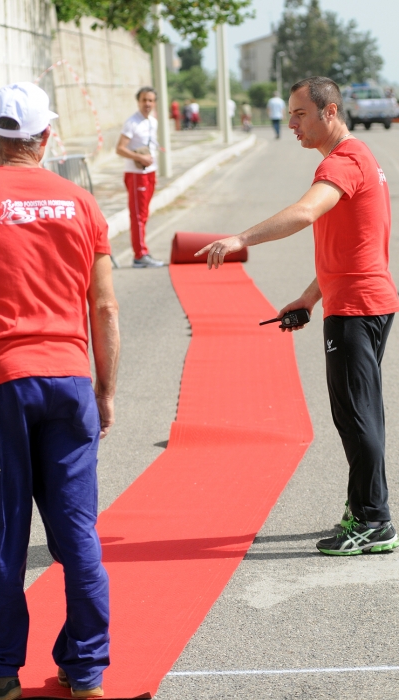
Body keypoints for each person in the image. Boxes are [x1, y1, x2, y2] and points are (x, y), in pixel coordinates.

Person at [0, 82, 120, 699]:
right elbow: (106, 307)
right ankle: (86, 669)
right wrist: (106, 391)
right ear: (47, 137)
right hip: (68, 377)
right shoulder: (81, 202)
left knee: (2, 531)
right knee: (77, 531)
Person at [195, 76, 399, 556]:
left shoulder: (344, 162)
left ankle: (374, 521)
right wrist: (310, 298)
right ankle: (366, 507)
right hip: (359, 299)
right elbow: (350, 249)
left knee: (357, 417)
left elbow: (307, 213)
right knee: (359, 413)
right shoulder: (356, 156)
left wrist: (240, 239)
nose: (291, 124)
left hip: (357, 308)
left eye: (300, 114)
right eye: (289, 114)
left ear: (330, 112)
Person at [116, 87, 164, 268]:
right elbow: (119, 148)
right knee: (137, 216)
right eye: (144, 100)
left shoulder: (152, 121)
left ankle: (142, 252)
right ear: (138, 101)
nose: (147, 104)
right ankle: (140, 255)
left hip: (150, 172)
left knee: (144, 215)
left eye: (151, 100)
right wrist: (139, 157)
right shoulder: (132, 123)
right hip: (136, 175)